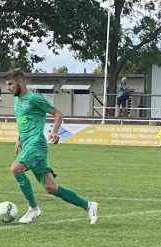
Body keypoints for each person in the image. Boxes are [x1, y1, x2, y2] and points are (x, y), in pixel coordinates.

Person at [5, 70, 98, 224]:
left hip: (37, 145)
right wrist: (19, 139)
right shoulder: (17, 100)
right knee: (51, 187)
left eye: (10, 84)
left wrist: (54, 132)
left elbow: (58, 114)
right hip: (28, 145)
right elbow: (24, 121)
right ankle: (88, 206)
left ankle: (33, 208)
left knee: (16, 168)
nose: (8, 88)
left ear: (20, 82)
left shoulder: (34, 98)